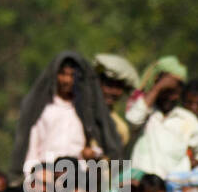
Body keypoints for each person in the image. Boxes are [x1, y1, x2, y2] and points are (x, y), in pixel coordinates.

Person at [13, 51, 123, 181]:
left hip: (78, 176)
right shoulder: (44, 108)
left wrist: (93, 152)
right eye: (63, 74)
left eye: (72, 75)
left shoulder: (87, 109)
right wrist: (30, 176)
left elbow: (101, 140)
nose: (67, 80)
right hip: (46, 174)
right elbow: (32, 146)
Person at [126, 56, 198, 177]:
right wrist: (158, 88)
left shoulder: (187, 119)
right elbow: (133, 119)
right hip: (140, 185)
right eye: (165, 91)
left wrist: (186, 169)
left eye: (174, 92)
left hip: (172, 189)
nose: (170, 97)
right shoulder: (146, 113)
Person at [93, 53, 140, 147]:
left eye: (118, 87)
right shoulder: (76, 113)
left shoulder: (121, 129)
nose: (113, 92)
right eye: (109, 85)